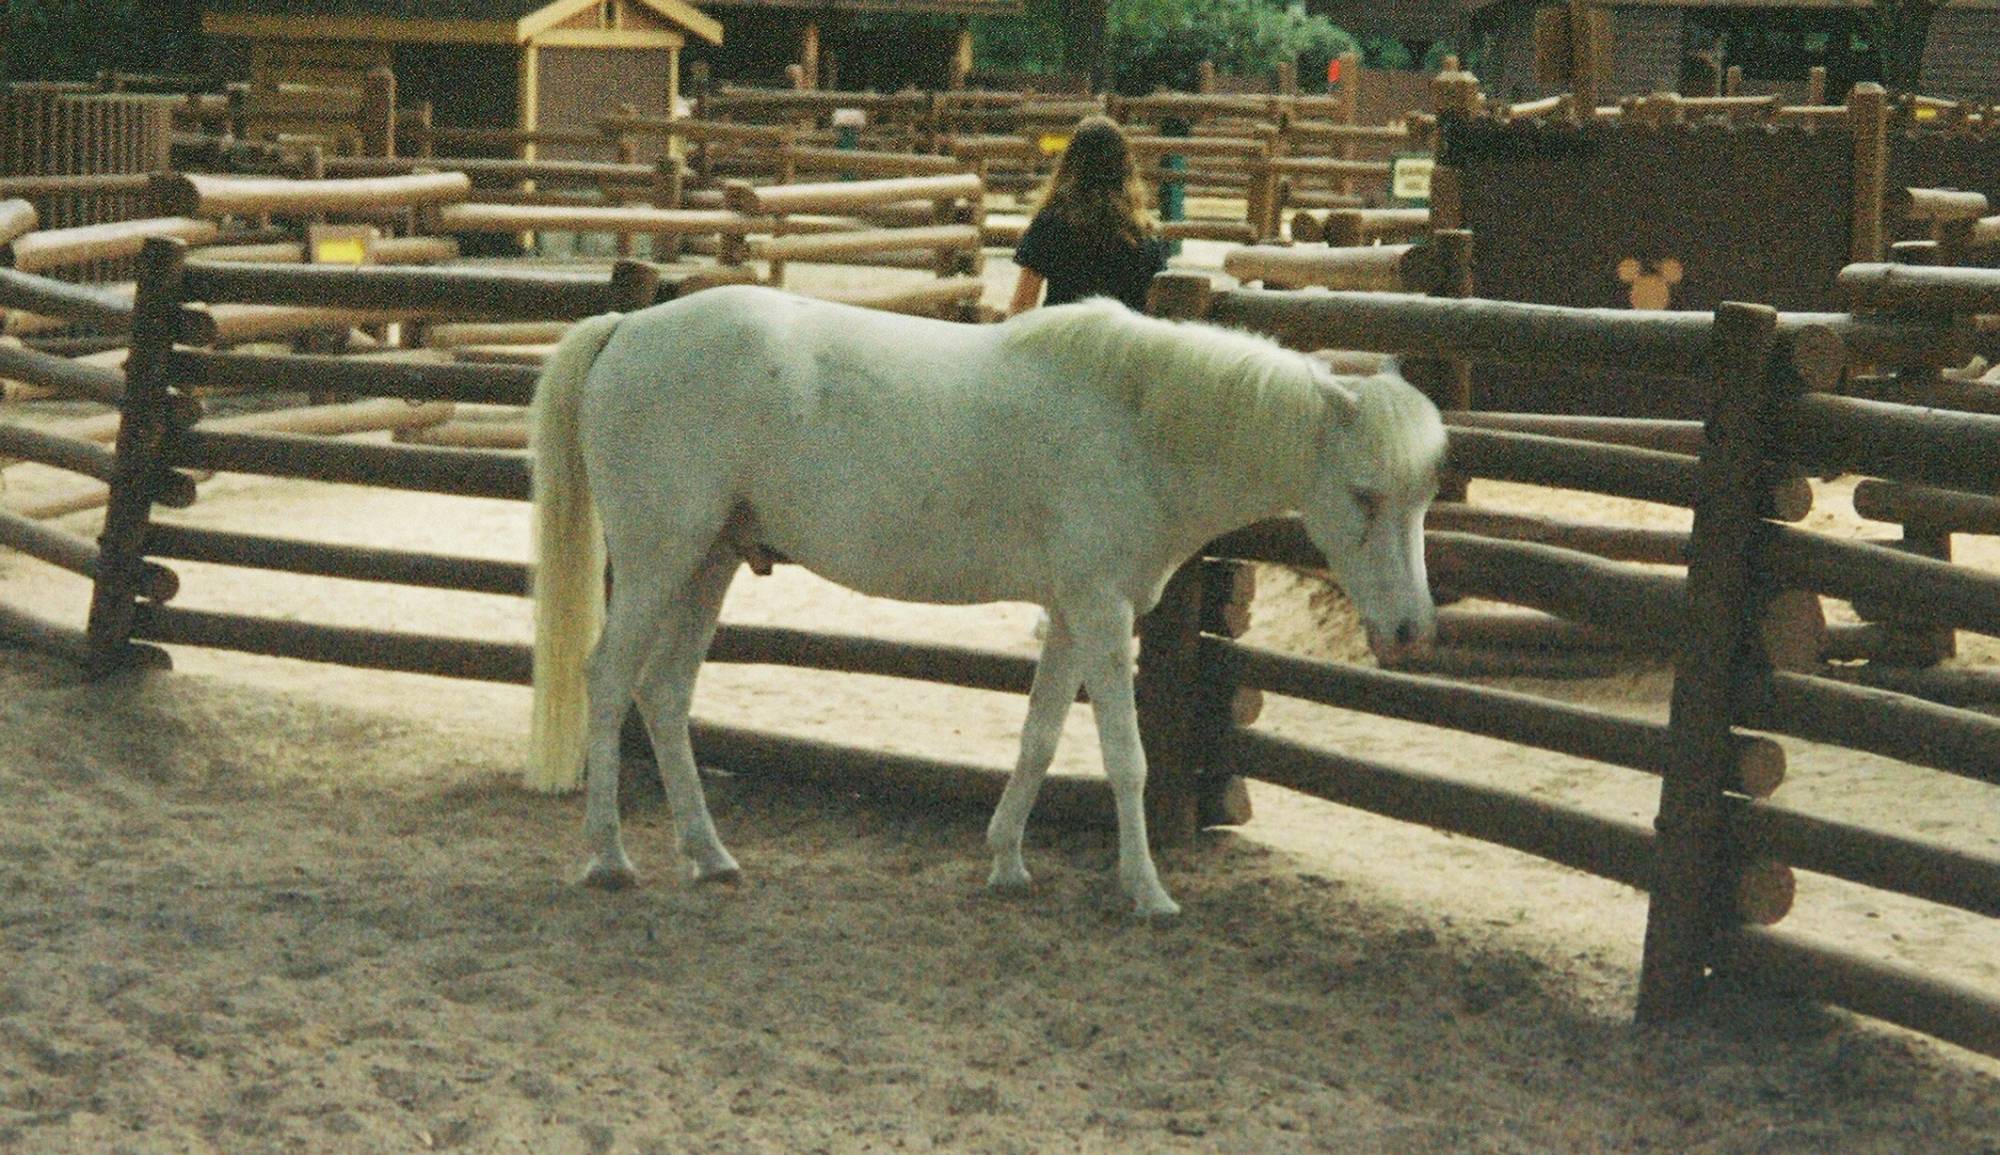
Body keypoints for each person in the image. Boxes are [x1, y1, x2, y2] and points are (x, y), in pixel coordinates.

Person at [1008, 116, 1169, 316]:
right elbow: (1154, 308)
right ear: (1124, 166)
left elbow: (1023, 302)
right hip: (1121, 344)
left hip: (1063, 340)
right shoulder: (1143, 234)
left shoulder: (1052, 223)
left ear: (1070, 163)